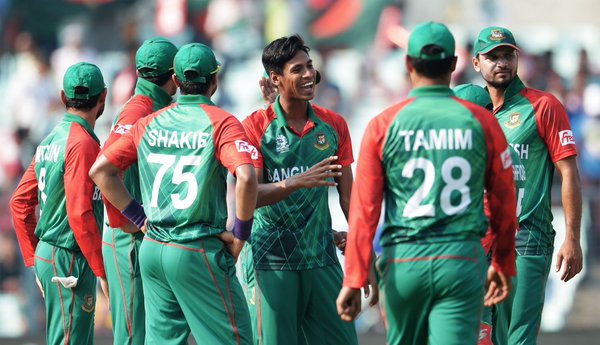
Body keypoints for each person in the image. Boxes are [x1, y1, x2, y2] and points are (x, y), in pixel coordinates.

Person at [336, 22, 517, 345]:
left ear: (408, 64)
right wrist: (503, 262)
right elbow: (504, 199)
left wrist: (354, 275)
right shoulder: (482, 120)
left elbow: (365, 210)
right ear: (454, 64)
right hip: (460, 260)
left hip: (404, 262)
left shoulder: (383, 124)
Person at [90, 43, 257, 345]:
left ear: (178, 82)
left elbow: (100, 171)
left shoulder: (148, 121)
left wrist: (141, 218)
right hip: (195, 246)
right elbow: (245, 176)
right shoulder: (220, 121)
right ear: (214, 81)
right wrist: (241, 234)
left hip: (153, 248)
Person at [239, 34, 373, 345]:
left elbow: (348, 196)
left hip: (321, 259)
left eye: (309, 67)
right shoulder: (255, 127)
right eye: (297, 69)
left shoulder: (333, 125)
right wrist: (297, 180)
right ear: (276, 79)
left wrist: (360, 250)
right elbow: (250, 196)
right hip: (272, 262)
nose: (309, 74)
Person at [471, 26, 583, 345]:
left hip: (527, 240)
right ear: (477, 63)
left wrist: (572, 237)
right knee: (475, 337)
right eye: (493, 57)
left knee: (516, 340)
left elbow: (569, 173)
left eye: (508, 55)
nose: (502, 63)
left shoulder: (543, 105)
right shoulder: (468, 111)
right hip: (476, 242)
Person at [10, 62, 109, 345]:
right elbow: (79, 214)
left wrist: (34, 259)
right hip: (69, 258)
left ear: (63, 98)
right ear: (103, 96)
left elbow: (19, 203)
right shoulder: (82, 142)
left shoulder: (51, 139)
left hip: (52, 255)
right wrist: (101, 271)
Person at [100, 37, 178, 345]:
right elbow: (103, 173)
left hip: (142, 237)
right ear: (174, 75)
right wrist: (137, 217)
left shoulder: (155, 105)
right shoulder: (139, 110)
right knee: (133, 335)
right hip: (128, 237)